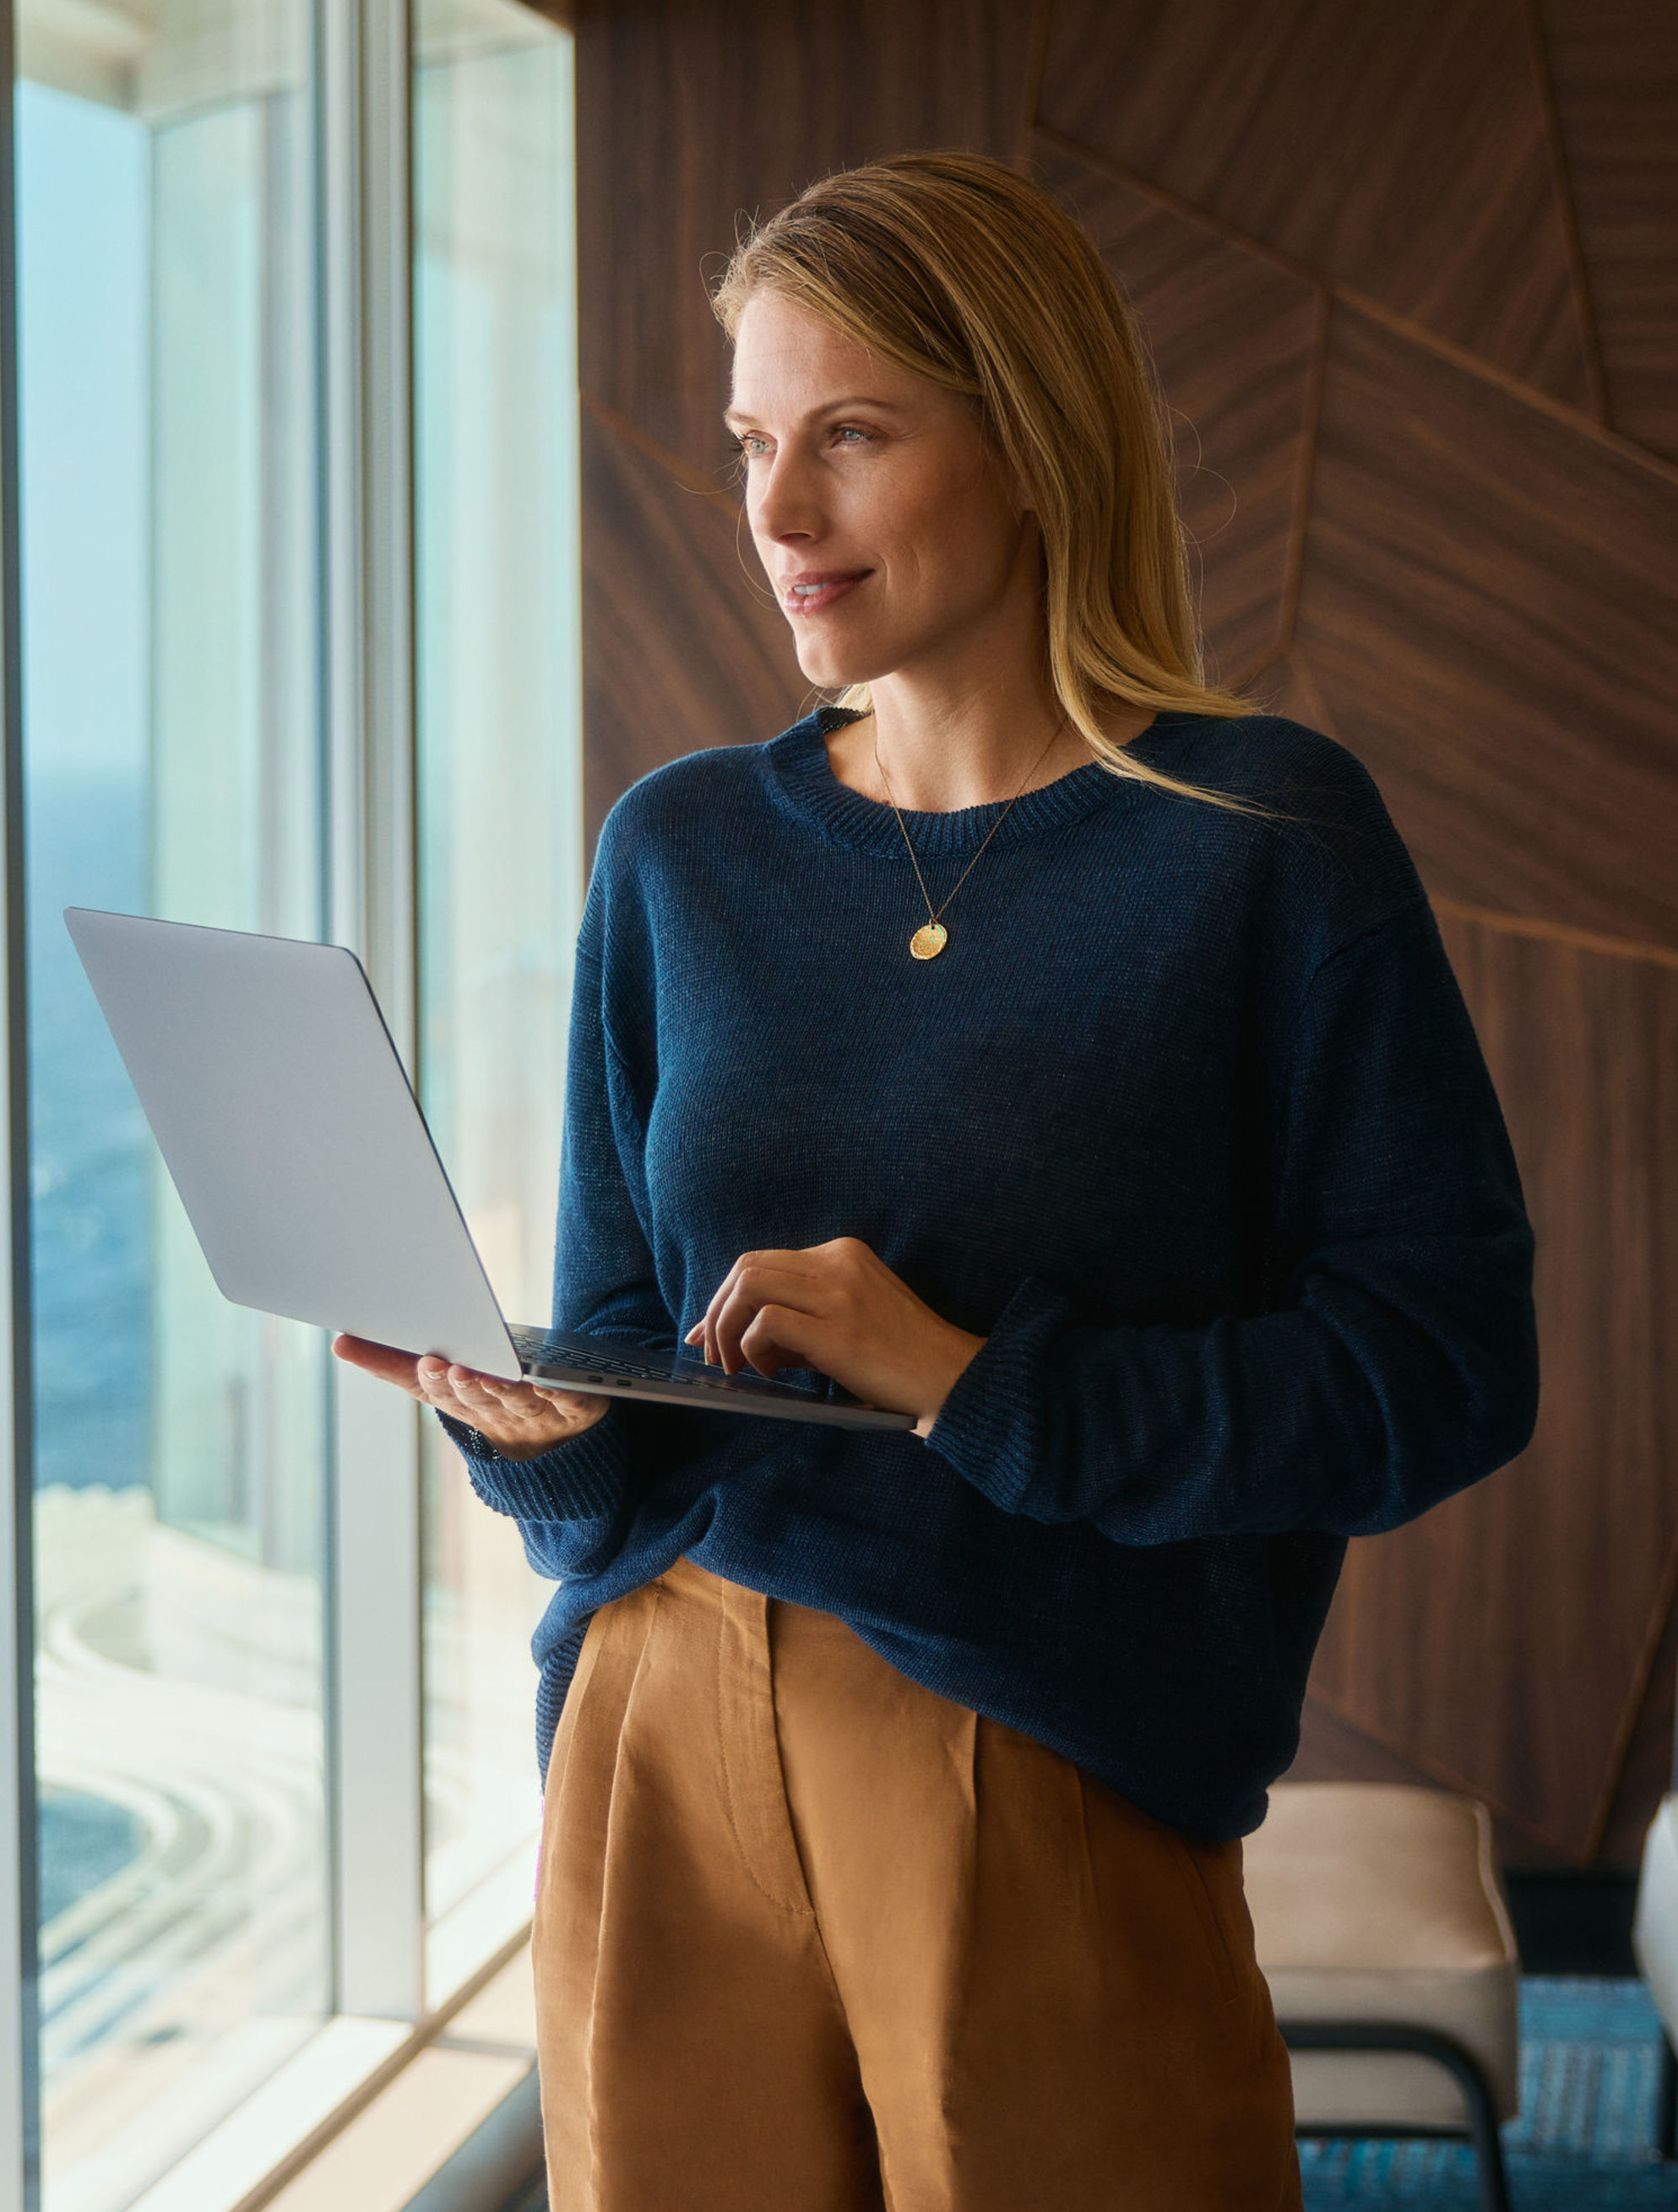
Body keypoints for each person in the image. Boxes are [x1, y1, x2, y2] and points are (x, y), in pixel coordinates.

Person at [334, 149, 1537, 2212]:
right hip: (656, 1726)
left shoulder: (1261, 842)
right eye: (750, 444)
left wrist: (975, 1380)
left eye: (853, 437)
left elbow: (1440, 1368)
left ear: (1035, 445)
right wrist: (532, 1437)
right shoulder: (680, 849)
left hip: (1046, 1743)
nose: (778, 516)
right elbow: (623, 1347)